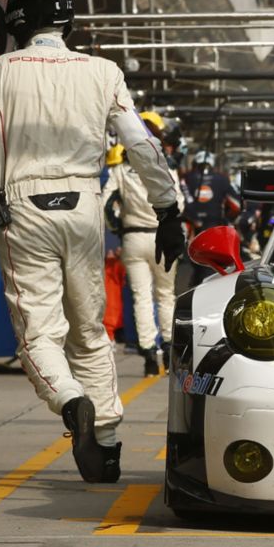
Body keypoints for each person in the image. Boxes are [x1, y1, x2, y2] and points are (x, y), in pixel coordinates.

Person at [0, 0, 186, 483]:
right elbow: (141, 145)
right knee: (89, 331)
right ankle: (105, 447)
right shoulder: (103, 71)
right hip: (83, 205)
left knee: (39, 333)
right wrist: (168, 210)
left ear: (15, 21)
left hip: (23, 207)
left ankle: (70, 399)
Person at [104, 112, 186, 376]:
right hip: (161, 234)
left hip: (133, 238)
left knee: (141, 296)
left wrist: (118, 228)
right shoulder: (165, 167)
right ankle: (171, 352)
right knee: (165, 295)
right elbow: (179, 203)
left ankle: (149, 355)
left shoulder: (119, 171)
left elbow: (106, 205)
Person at [181, 150, 243, 285]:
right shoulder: (222, 179)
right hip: (216, 228)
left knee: (194, 268)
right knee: (215, 268)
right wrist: (228, 219)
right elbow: (237, 205)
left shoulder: (186, 178)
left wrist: (195, 219)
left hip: (190, 229)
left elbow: (182, 203)